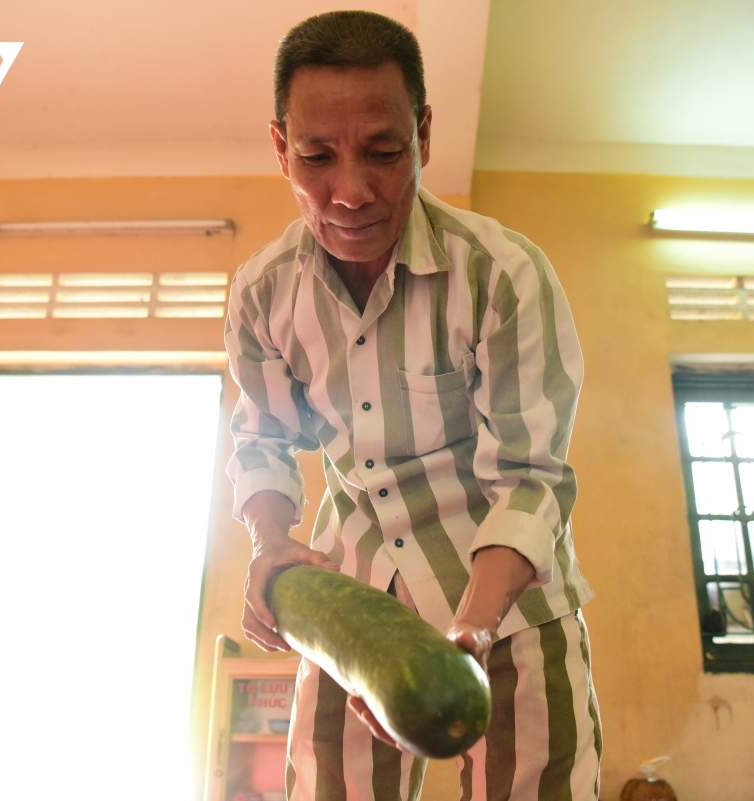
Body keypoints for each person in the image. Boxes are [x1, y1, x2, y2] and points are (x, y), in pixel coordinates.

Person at [224, 10, 600, 800]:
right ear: (279, 147)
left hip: (511, 609)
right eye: (317, 156)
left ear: (424, 135)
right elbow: (261, 439)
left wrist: (472, 628)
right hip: (353, 606)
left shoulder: (501, 273)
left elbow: (532, 477)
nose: (351, 191)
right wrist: (269, 541)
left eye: (385, 152)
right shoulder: (262, 292)